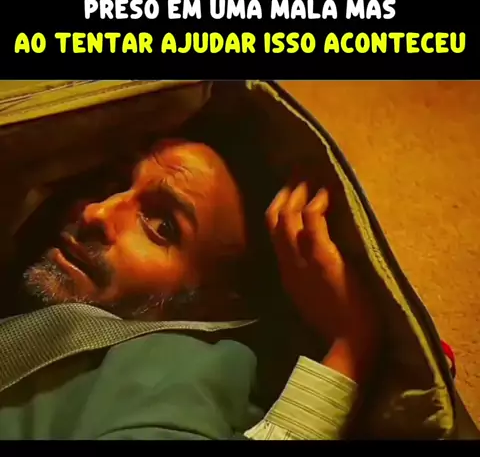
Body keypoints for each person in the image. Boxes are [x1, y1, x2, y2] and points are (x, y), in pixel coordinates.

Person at [0, 113, 379, 440]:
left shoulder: (171, 370)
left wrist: (348, 349)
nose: (95, 212)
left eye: (162, 226)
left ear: (216, 303)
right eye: (116, 185)